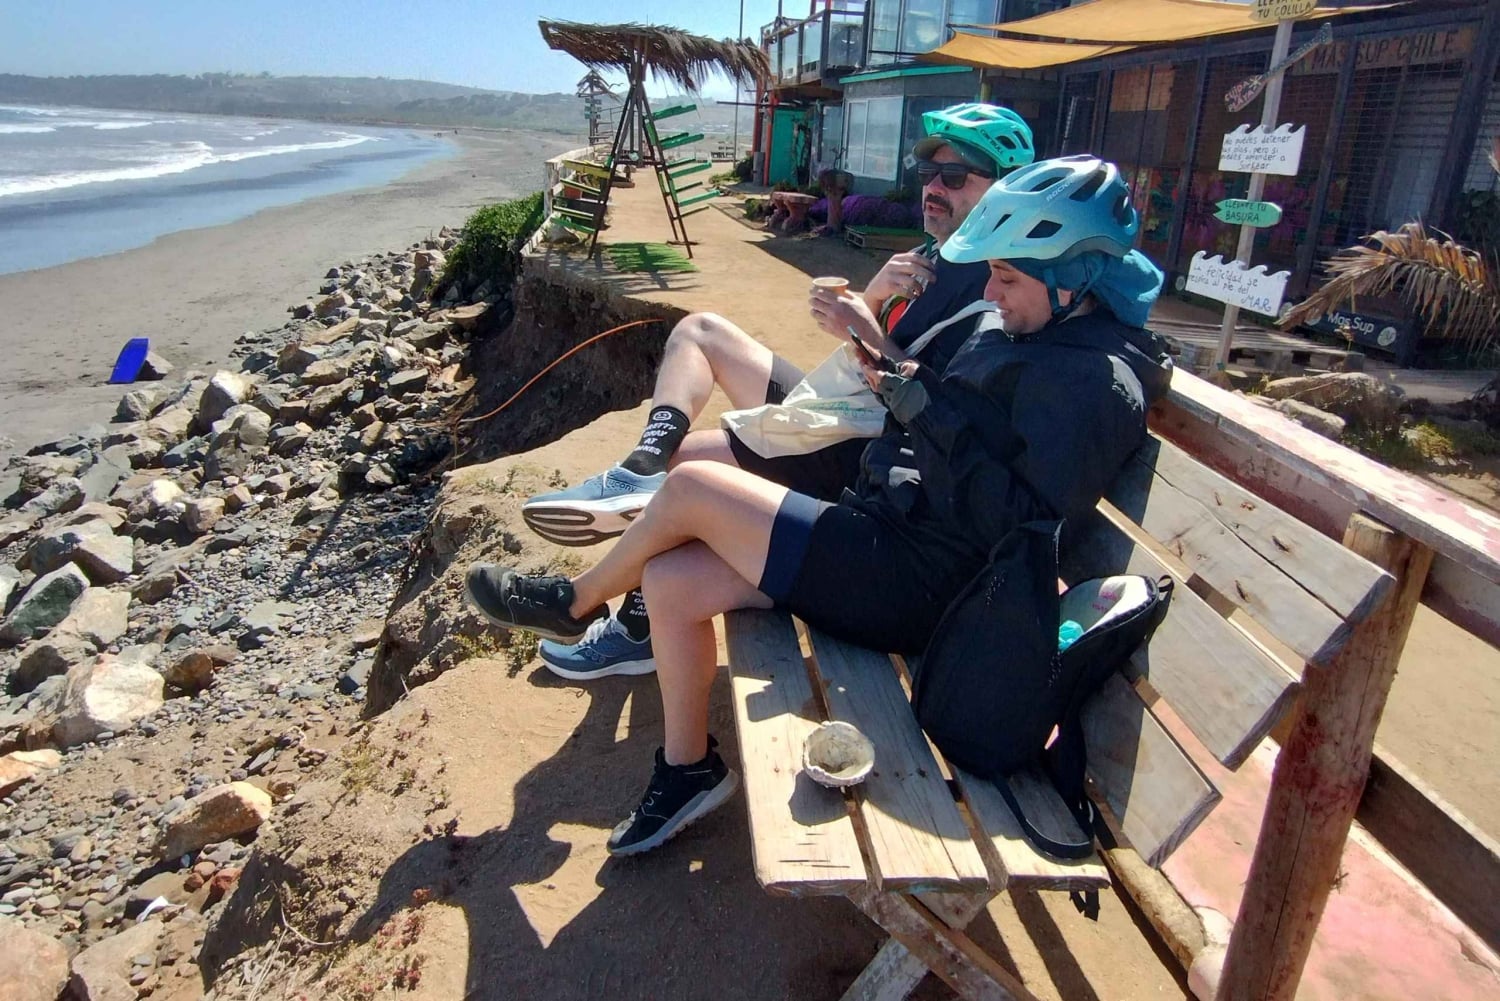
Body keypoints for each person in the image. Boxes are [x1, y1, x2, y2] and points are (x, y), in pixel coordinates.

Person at [466, 155, 1174, 856]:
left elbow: (1011, 528)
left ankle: (577, 599)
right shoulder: (1032, 328)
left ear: (1073, 276)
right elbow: (958, 423)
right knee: (671, 580)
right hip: (885, 530)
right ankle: (688, 771)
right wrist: (901, 385)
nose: (991, 290)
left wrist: (924, 408)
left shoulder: (1095, 385)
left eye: (1007, 276)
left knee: (690, 488)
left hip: (923, 585)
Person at [519, 103, 1036, 681]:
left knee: (689, 466)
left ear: (1004, 188)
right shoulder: (934, 256)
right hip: (845, 408)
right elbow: (869, 358)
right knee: (701, 331)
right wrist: (869, 300)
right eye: (926, 176)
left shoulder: (998, 287)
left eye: (955, 177)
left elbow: (928, 408)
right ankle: (638, 467)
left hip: (863, 447)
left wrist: (862, 328)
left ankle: (632, 623)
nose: (933, 189)